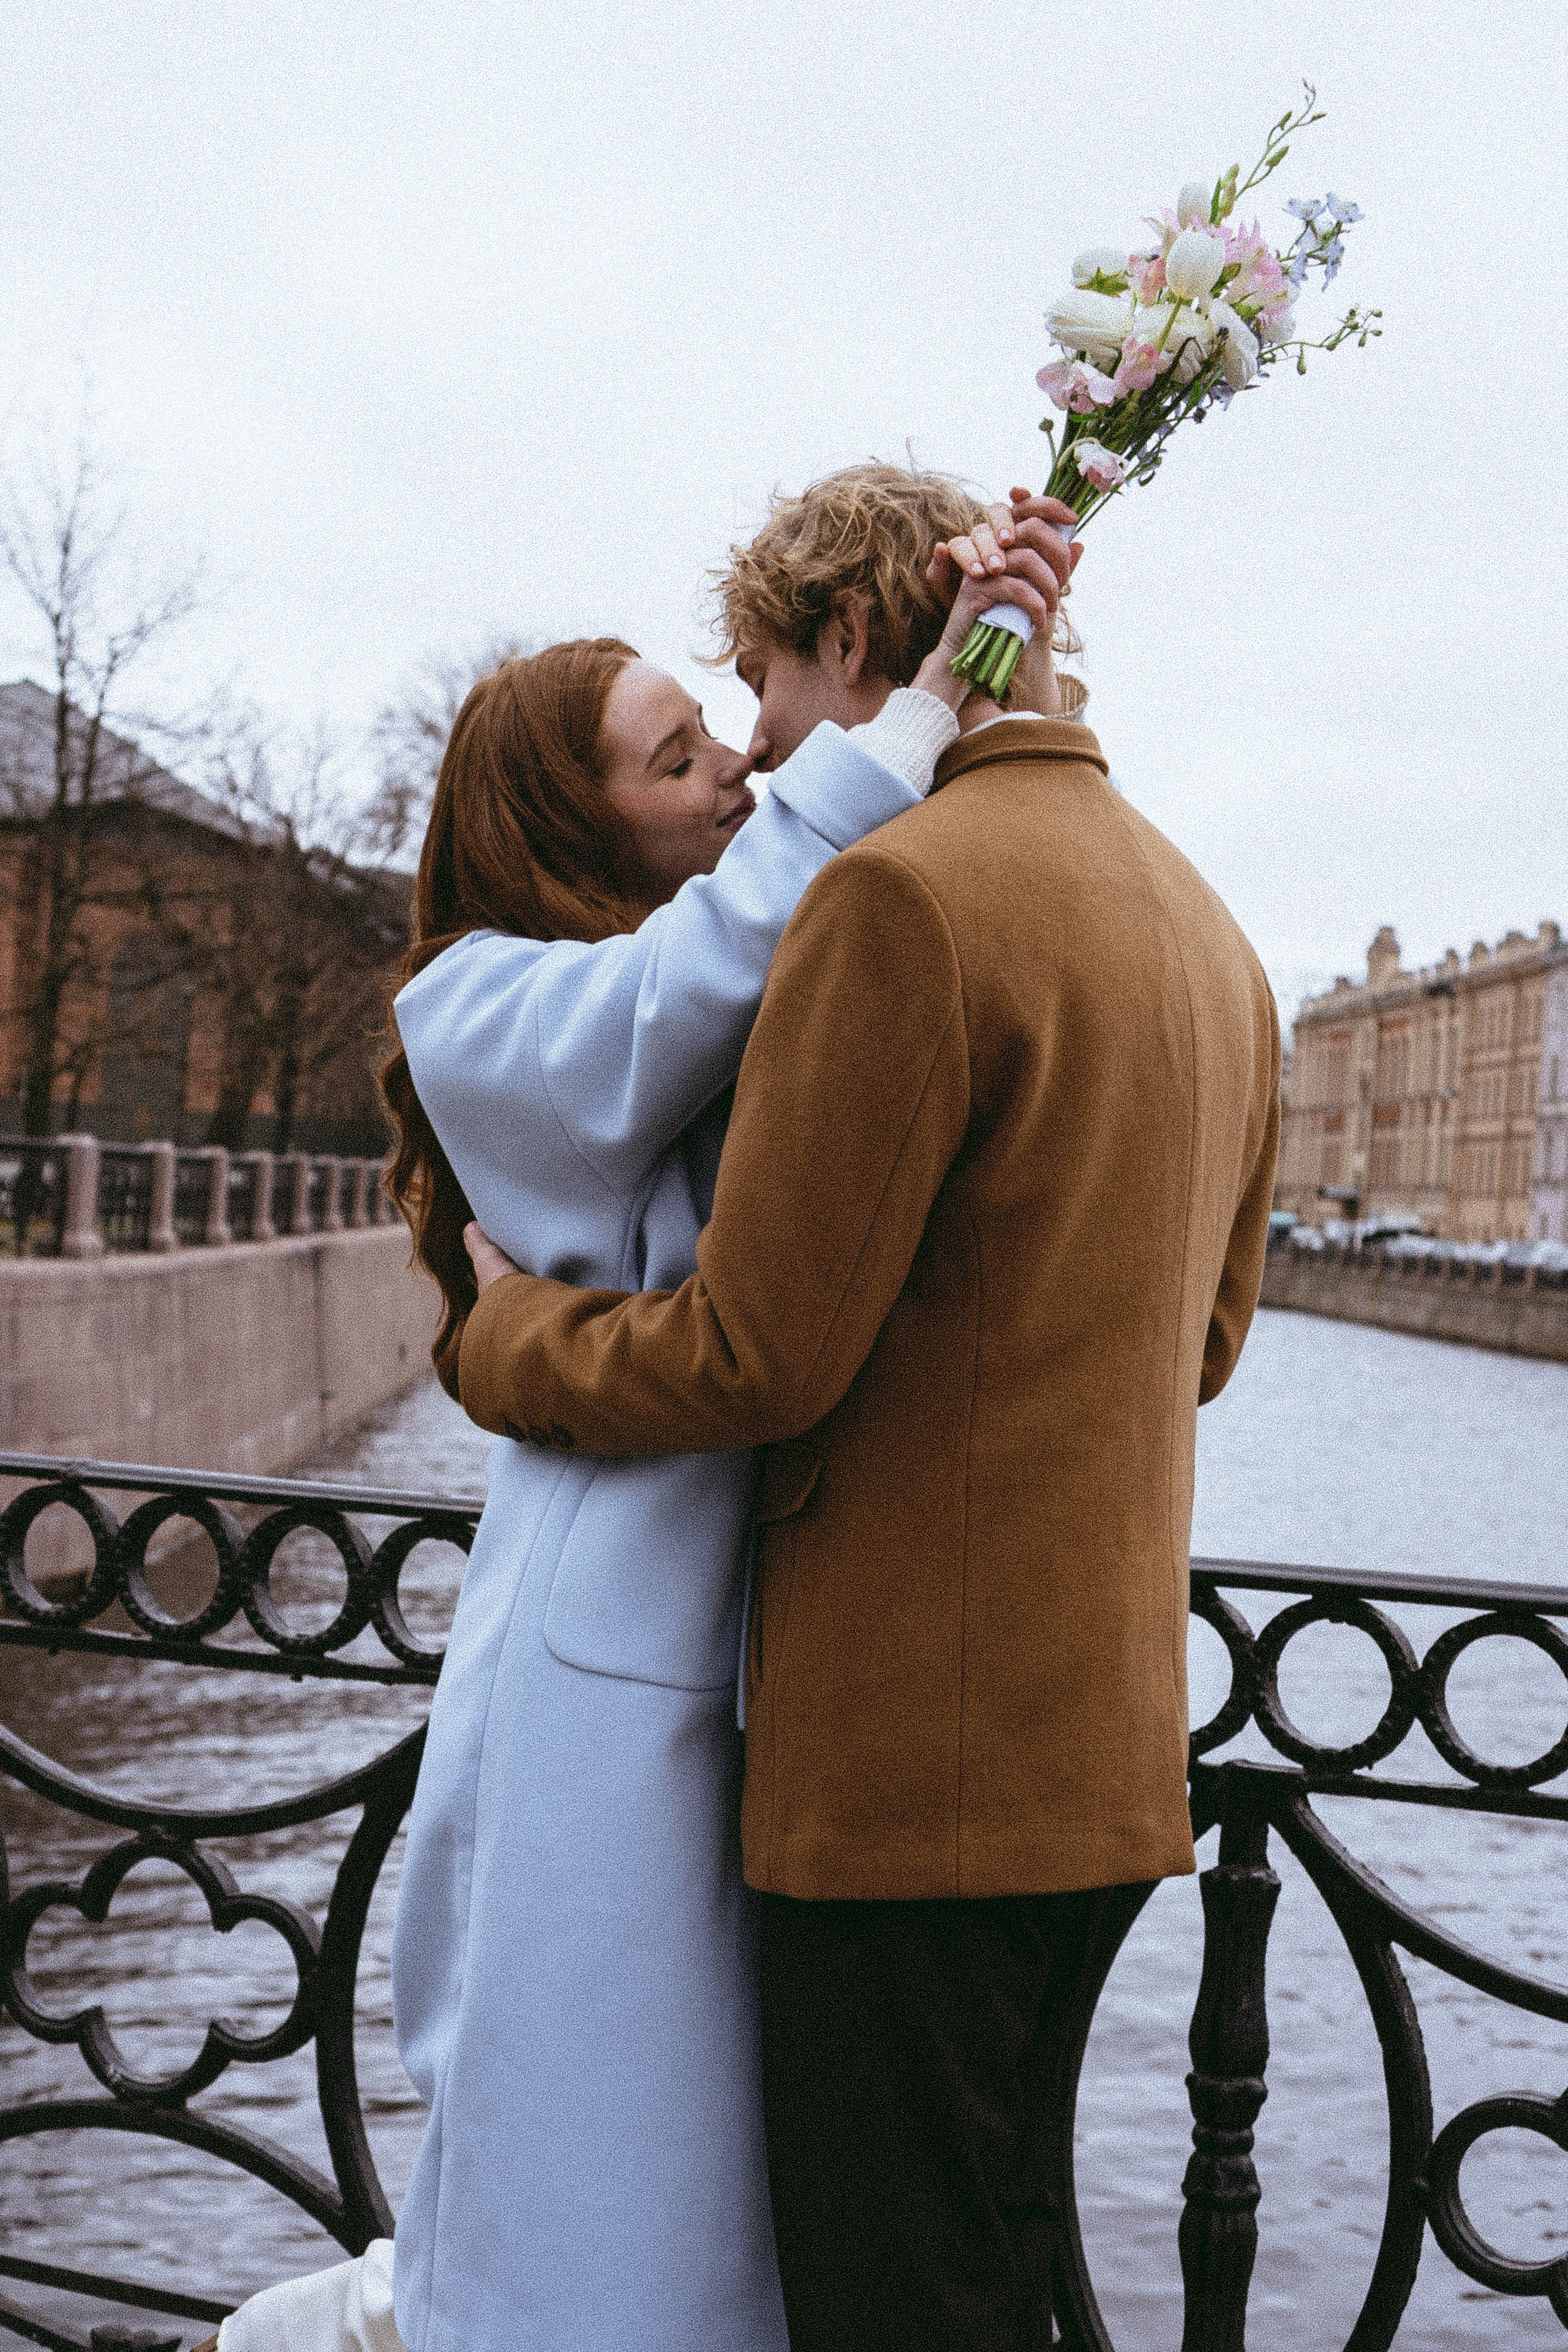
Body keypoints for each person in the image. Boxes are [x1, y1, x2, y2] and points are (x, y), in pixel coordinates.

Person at [206, 467, 1080, 2352]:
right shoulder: (485, 1001)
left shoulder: (741, 968)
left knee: (679, 2170)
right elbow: (697, 974)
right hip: (612, 1653)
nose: (733, 777)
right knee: (586, 2140)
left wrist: (990, 633)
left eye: (720, 731)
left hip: (747, 1642)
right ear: (565, 818)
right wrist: (919, 707)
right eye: (677, 757)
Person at [453, 472, 1282, 2352]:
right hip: (1104, 1767)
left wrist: (508, 1342)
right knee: (998, 2269)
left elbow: (754, 1356)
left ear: (854, 642)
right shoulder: (1216, 940)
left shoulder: (898, 900)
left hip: (909, 1784)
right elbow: (1204, 1344)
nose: (750, 742)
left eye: (756, 676)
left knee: (897, 2299)